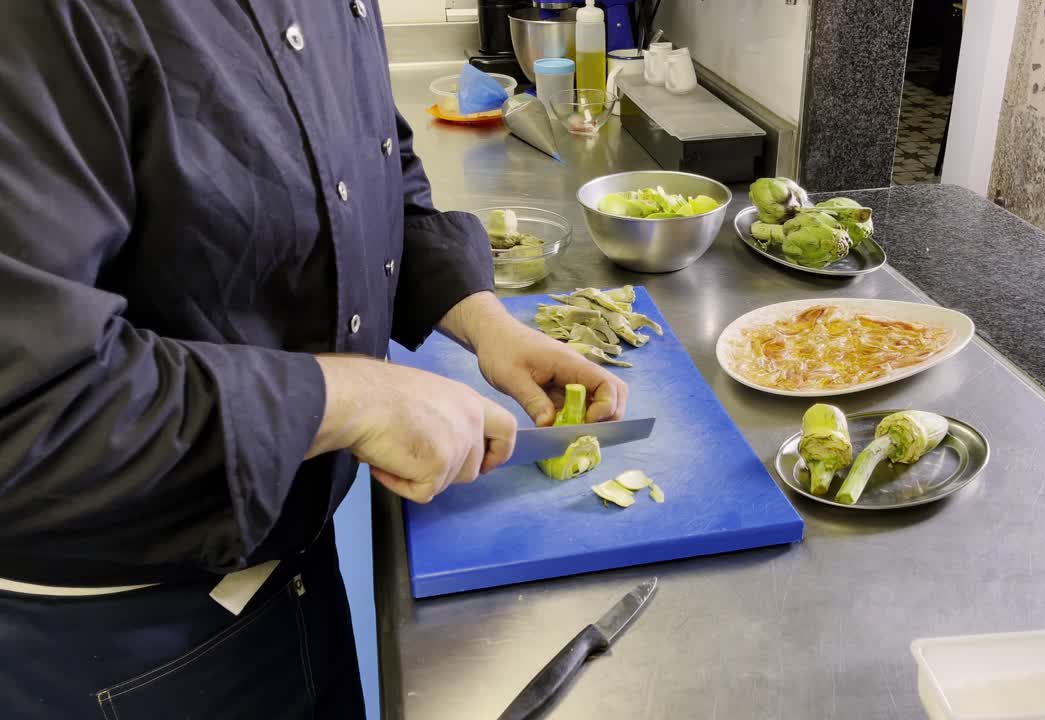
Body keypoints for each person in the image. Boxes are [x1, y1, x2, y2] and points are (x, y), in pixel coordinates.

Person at [0, 2, 627, 717]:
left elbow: (366, 167)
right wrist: (353, 399)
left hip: (288, 567)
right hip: (125, 642)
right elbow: (30, 402)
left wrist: (479, 318)